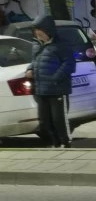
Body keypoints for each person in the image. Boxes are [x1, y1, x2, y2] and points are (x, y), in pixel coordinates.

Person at [24, 16, 75, 148]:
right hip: (41, 90)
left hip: (57, 89)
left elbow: (69, 64)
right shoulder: (36, 45)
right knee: (45, 121)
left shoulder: (61, 44)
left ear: (48, 31)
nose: (38, 35)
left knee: (59, 119)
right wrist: (30, 69)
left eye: (41, 33)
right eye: (36, 33)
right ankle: (55, 143)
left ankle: (65, 142)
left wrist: (55, 78)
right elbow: (35, 61)